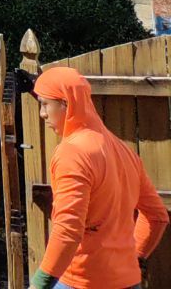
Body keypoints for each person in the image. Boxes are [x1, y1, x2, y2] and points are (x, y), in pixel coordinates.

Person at [30, 66, 168, 289]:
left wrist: (39, 284)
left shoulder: (73, 153)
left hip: (82, 281)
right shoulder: (124, 151)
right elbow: (157, 217)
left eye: (45, 104)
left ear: (66, 104)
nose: (42, 114)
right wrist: (135, 258)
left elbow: (68, 229)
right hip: (128, 282)